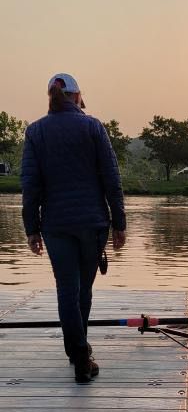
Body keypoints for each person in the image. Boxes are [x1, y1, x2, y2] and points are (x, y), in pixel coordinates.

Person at [21, 72, 126, 383]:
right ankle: (80, 354)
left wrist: (31, 229)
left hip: (56, 225)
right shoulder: (93, 126)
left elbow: (30, 186)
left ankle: (78, 353)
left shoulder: (36, 132)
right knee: (83, 288)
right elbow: (111, 179)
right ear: (78, 96)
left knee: (67, 289)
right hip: (93, 223)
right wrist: (119, 223)